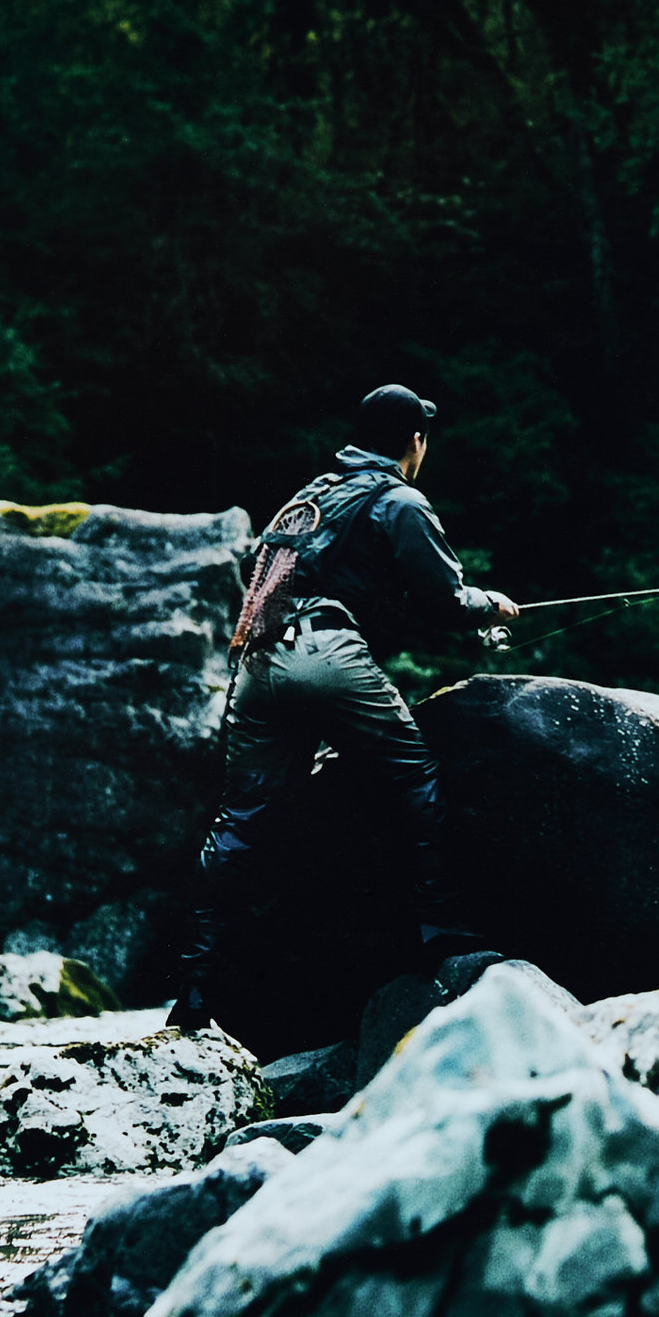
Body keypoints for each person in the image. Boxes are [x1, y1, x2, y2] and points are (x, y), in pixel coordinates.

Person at [171, 384, 519, 1030]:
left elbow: (265, 575)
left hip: (256, 665)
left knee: (241, 821)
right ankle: (441, 934)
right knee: (415, 776)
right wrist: (488, 604)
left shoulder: (311, 495)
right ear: (415, 441)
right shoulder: (399, 499)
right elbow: (445, 601)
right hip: (325, 652)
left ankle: (194, 990)